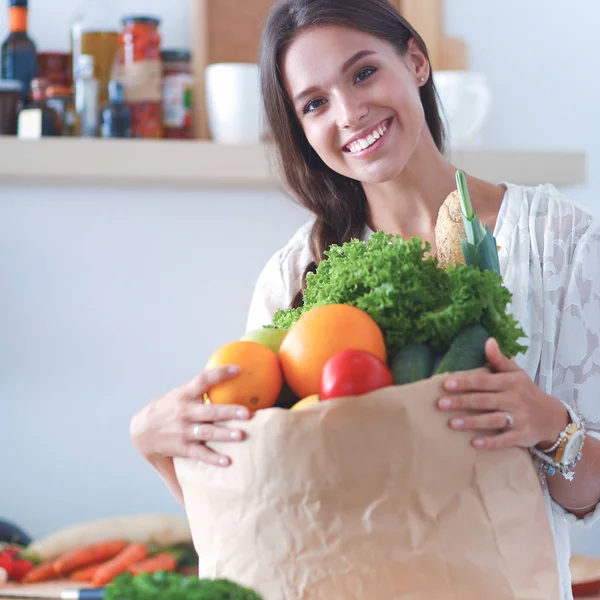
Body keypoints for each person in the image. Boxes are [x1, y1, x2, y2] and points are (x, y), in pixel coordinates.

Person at [130, 0, 600, 597]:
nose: (350, 113)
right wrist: (159, 445)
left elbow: (587, 500)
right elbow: (264, 505)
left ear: (416, 62)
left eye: (363, 72)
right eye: (315, 103)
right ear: (299, 128)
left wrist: (550, 424)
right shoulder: (295, 276)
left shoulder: (559, 242)